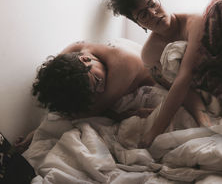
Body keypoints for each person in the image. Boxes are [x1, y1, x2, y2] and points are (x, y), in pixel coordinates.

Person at [108, 0, 209, 148]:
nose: (153, 14)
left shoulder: (195, 23)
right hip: (196, 93)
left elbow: (185, 77)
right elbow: (182, 90)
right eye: (143, 15)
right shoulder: (150, 54)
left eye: (152, 4)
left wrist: (153, 132)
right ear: (139, 24)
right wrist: (203, 120)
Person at [17, 39, 157, 152]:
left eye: (97, 80)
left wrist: (37, 131)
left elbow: (88, 112)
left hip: (148, 78)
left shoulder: (124, 64)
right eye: (94, 90)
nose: (101, 90)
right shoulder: (73, 54)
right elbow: (61, 91)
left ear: (85, 59)